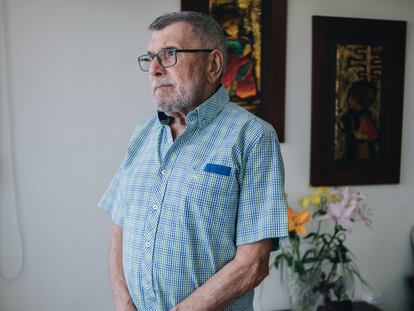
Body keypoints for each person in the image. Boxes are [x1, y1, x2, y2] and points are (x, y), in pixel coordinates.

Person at [99, 11, 288, 311]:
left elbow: (253, 263)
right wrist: (124, 305)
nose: (155, 70)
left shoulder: (253, 138)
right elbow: (118, 231)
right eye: (151, 58)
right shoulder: (141, 135)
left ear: (212, 64)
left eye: (170, 54)